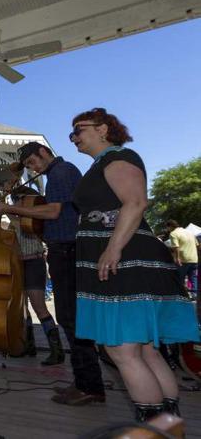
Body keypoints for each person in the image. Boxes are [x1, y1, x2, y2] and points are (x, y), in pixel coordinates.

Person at [68, 108, 199, 421]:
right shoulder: (102, 164)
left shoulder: (118, 158)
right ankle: (169, 425)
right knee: (144, 349)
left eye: (79, 130)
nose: (74, 138)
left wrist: (112, 249)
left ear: (103, 129)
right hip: (119, 260)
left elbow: (137, 202)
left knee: (122, 350)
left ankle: (154, 427)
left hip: (123, 262)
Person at [0, 140, 106, 405]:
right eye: (28, 166)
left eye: (32, 162)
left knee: (70, 319)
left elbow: (53, 212)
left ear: (44, 152)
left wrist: (9, 209)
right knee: (69, 318)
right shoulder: (56, 174)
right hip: (62, 249)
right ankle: (85, 381)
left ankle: (89, 385)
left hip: (68, 249)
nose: (32, 168)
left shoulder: (61, 172)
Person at [6, 187, 65, 366]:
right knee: (22, 307)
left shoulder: (34, 218)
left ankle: (57, 350)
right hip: (19, 264)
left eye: (18, 199)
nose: (16, 202)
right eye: (16, 199)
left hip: (33, 262)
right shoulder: (13, 221)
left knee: (39, 307)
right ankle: (28, 343)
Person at [165, 220, 198, 299]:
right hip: (194, 259)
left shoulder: (173, 234)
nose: (167, 229)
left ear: (170, 226)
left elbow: (176, 247)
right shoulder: (189, 232)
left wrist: (177, 258)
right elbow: (197, 245)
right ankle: (195, 295)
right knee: (193, 278)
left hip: (183, 259)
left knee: (180, 278)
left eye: (167, 227)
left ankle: (182, 295)